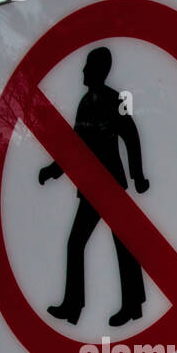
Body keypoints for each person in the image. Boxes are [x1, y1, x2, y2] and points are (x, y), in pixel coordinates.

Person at [39, 45, 149, 328]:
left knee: (124, 244)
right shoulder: (85, 103)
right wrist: (53, 171)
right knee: (76, 242)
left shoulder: (113, 100)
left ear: (98, 70)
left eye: (87, 66)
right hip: (90, 186)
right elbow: (73, 146)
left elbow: (131, 135)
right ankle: (73, 307)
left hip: (110, 184)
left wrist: (137, 176)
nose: (82, 70)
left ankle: (132, 306)